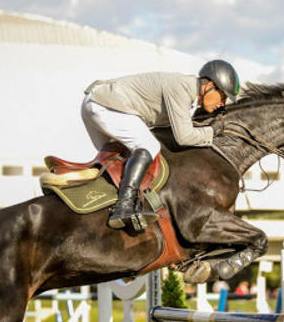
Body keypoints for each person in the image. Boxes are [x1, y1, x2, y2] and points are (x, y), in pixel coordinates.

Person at [81, 60, 240, 230]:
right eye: (222, 96)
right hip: (105, 106)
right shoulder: (183, 88)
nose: (222, 103)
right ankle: (124, 207)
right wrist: (213, 132)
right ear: (208, 85)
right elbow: (184, 137)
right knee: (149, 146)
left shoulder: (187, 94)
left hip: (97, 103)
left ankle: (101, 207)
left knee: (120, 159)